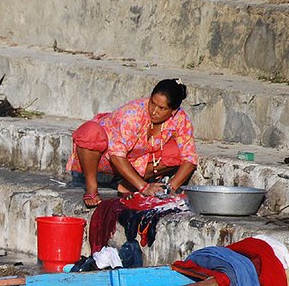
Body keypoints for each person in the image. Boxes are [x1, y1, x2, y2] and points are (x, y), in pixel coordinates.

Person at [67, 79, 198, 208]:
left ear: (173, 111)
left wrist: (169, 189)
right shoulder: (133, 113)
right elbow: (116, 155)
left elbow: (190, 159)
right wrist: (144, 187)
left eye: (162, 108)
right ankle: (91, 187)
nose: (154, 111)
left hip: (135, 161)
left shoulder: (180, 119)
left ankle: (127, 185)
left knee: (175, 152)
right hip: (103, 157)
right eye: (152, 103)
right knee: (90, 132)